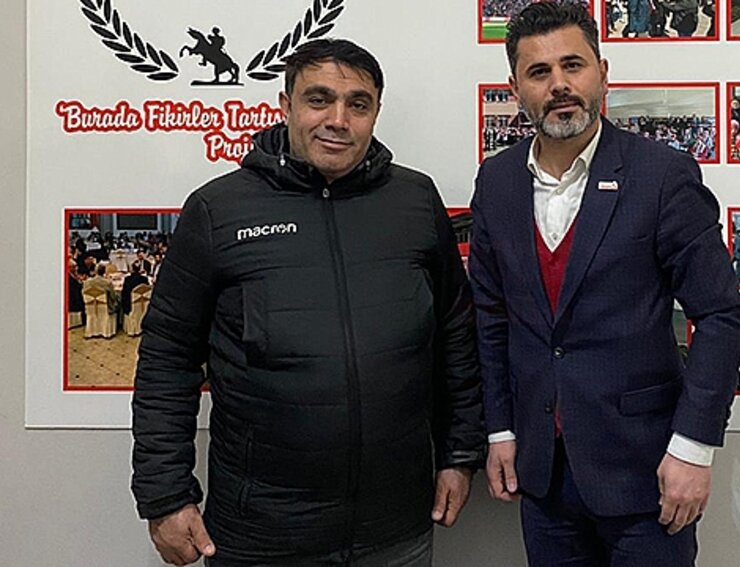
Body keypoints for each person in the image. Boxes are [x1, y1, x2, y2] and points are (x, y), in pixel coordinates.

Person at [130, 39, 485, 566]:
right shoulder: (217, 210)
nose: (338, 120)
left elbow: (455, 334)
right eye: (319, 99)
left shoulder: (414, 200)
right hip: (261, 533)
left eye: (358, 104)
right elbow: (167, 359)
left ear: (375, 113)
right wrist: (165, 495)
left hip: (395, 529)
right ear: (286, 105)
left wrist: (459, 453)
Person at [471, 4, 740, 565]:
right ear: (516, 88)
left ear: (602, 72)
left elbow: (722, 314)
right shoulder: (497, 181)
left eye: (572, 65)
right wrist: (500, 429)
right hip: (543, 478)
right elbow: (491, 315)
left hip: (647, 474)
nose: (559, 84)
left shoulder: (660, 176)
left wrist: (694, 447)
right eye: (539, 72)